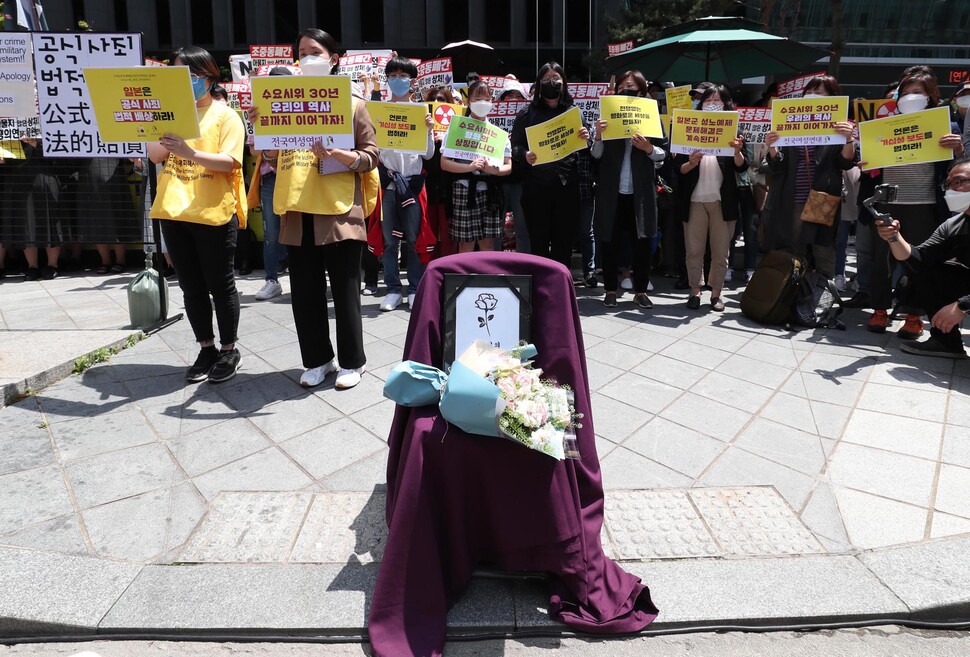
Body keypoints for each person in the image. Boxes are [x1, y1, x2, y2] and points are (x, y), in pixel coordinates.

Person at [272, 28, 380, 390]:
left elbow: (371, 156)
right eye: (302, 52)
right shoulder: (282, 103)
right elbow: (271, 154)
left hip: (338, 212)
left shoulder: (352, 103)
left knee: (346, 288)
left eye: (315, 51)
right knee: (304, 291)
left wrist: (341, 155)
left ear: (334, 58)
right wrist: (260, 125)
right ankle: (318, 360)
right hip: (297, 209)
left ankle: (353, 362)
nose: (308, 58)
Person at [148, 46, 247, 384]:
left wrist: (190, 151)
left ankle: (229, 348)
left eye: (193, 76)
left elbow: (231, 162)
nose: (188, 82)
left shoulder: (226, 115)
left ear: (209, 76)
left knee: (221, 284)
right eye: (180, 76)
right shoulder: (170, 113)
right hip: (174, 211)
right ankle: (206, 347)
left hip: (213, 212)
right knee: (190, 285)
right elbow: (154, 154)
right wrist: (162, 124)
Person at [866, 68, 965, 336]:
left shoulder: (947, 125)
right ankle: (879, 309)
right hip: (887, 201)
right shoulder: (883, 125)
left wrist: (957, 150)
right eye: (906, 92)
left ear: (931, 95)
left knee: (917, 259)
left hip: (924, 202)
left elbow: (957, 171)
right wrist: (866, 161)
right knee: (882, 259)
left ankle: (913, 314)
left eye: (918, 92)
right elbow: (869, 166)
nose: (911, 97)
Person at [760, 75, 857, 278]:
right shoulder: (790, 125)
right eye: (809, 93)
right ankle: (793, 295)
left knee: (823, 249)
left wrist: (849, 139)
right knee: (794, 249)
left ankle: (823, 298)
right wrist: (772, 147)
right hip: (794, 198)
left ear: (832, 99)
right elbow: (778, 165)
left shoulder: (839, 127)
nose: (812, 96)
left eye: (819, 93)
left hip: (823, 197)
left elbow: (844, 162)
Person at [874, 160, 970, 359]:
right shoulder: (953, 225)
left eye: (961, 181)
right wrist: (893, 236)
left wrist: (962, 306)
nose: (955, 189)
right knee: (930, 273)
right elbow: (920, 259)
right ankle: (946, 343)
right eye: (950, 184)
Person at [591, 69, 666, 308]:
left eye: (632, 86)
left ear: (643, 91)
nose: (627, 90)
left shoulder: (651, 117)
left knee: (642, 242)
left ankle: (641, 290)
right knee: (610, 240)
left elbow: (662, 157)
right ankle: (610, 290)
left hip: (640, 192)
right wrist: (599, 136)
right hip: (612, 192)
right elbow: (596, 155)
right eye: (623, 86)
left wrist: (647, 148)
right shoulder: (608, 115)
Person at [672, 84, 748, 311]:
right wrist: (690, 162)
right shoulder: (689, 127)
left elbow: (742, 168)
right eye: (708, 101)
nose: (713, 105)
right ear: (700, 104)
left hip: (723, 202)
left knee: (720, 251)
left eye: (718, 101)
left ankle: (716, 294)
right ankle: (695, 291)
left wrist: (737, 151)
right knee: (693, 250)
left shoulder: (734, 130)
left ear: (726, 105)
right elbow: (678, 169)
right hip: (694, 200)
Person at [510, 62, 591, 271]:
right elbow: (514, 146)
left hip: (567, 187)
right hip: (536, 187)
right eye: (546, 79)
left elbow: (585, 149)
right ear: (538, 83)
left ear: (564, 82)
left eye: (556, 78)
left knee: (563, 243)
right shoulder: (527, 113)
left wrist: (586, 137)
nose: (551, 83)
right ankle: (540, 288)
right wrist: (524, 155)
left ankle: (560, 287)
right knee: (538, 242)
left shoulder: (574, 112)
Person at [378, 56, 435, 311]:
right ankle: (392, 289)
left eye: (403, 76)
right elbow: (374, 151)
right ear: (387, 80)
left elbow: (429, 155)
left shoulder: (421, 111)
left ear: (412, 81)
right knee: (390, 240)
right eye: (393, 76)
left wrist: (429, 131)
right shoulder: (378, 111)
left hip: (412, 185)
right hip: (389, 185)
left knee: (413, 239)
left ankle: (414, 287)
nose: (398, 80)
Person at [440, 80, 511, 253]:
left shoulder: (497, 133)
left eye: (486, 98)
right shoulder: (457, 128)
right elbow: (444, 163)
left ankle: (485, 278)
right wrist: (469, 167)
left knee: (488, 242)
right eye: (477, 97)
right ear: (468, 101)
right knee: (466, 242)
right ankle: (465, 278)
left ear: (492, 102)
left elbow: (508, 166)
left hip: (489, 190)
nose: (482, 102)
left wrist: (491, 170)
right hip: (464, 188)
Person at [497, 85, 530, 254]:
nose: (513, 99)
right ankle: (493, 265)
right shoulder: (491, 118)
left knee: (522, 226)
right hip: (497, 179)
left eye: (518, 96)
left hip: (520, 179)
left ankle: (524, 264)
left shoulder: (529, 117)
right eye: (509, 95)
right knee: (496, 227)